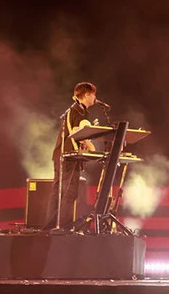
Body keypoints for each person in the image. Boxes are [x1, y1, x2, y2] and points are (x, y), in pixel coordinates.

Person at [43, 82, 97, 230]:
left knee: (57, 193)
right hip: (68, 157)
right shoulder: (80, 111)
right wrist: (92, 147)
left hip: (59, 155)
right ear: (86, 94)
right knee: (69, 193)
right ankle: (62, 228)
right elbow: (79, 133)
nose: (95, 98)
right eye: (93, 95)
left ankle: (49, 227)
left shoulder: (71, 111)